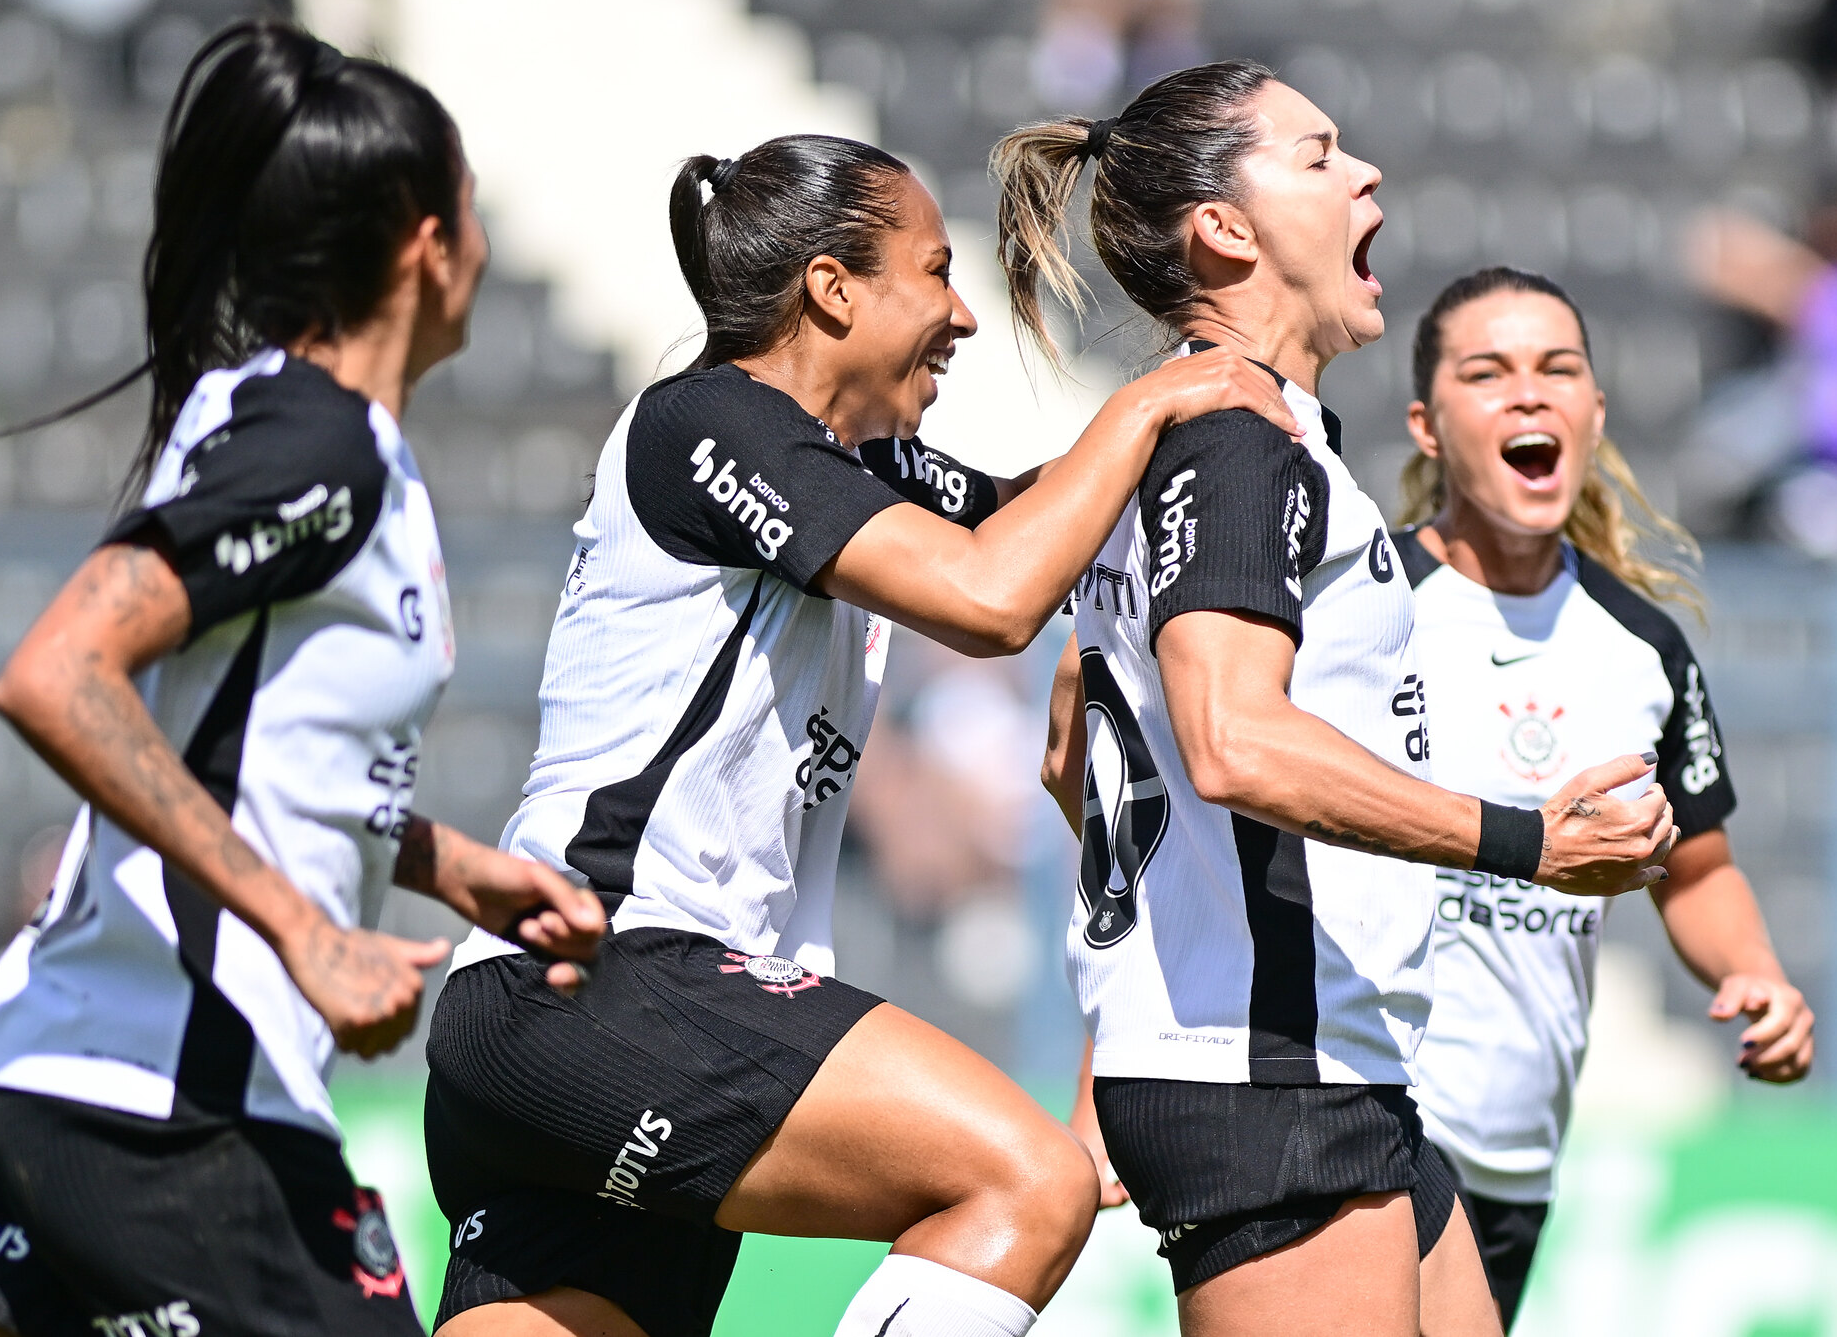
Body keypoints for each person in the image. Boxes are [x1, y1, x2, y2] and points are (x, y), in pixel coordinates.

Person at [418, 133, 1301, 1337]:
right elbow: (991, 596)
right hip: (610, 976)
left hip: (567, 1031)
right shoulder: (706, 422)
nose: (964, 317)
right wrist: (1152, 400)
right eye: (936, 274)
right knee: (1021, 1183)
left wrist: (1215, 431)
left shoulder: (854, 463)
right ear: (832, 289)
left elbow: (1030, 511)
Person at [1004, 61, 1676, 1337]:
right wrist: (1527, 841)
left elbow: (1072, 754)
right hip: (1268, 1080)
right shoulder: (1237, 441)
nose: (1363, 172)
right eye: (1315, 156)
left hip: (1323, 1060)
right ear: (1225, 228)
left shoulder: (1211, 437)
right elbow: (1229, 740)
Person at [0, 21, 605, 1337]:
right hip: (160, 1104)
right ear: (429, 244)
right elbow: (60, 672)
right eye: (474, 210)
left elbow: (254, 748)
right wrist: (306, 928)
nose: (485, 246)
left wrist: (446, 863)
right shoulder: (320, 441)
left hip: (88, 1085)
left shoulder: (296, 425)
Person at [1389, 266, 1816, 1326]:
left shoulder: (1641, 649)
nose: (1528, 395)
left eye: (1557, 370)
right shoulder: (1362, 609)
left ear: (1592, 413)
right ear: (1427, 426)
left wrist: (1757, 975)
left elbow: (1698, 868)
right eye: (1487, 373)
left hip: (1516, 1146)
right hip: (1367, 1106)